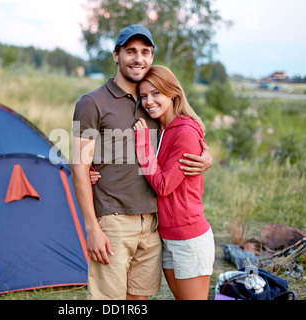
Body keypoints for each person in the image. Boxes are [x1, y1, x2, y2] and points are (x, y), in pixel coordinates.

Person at [71, 25, 212, 300]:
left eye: (145, 52)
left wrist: (206, 156)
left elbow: (183, 134)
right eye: (130, 51)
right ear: (116, 55)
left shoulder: (153, 102)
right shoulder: (92, 103)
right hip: (113, 221)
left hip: (153, 224)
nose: (138, 58)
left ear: (152, 56)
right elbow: (78, 167)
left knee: (139, 299)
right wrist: (91, 228)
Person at [133, 65, 215, 300]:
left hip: (189, 237)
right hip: (168, 236)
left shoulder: (184, 132)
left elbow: (162, 185)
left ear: (173, 93)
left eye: (156, 93)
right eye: (144, 96)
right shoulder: (163, 130)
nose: (149, 101)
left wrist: (143, 145)